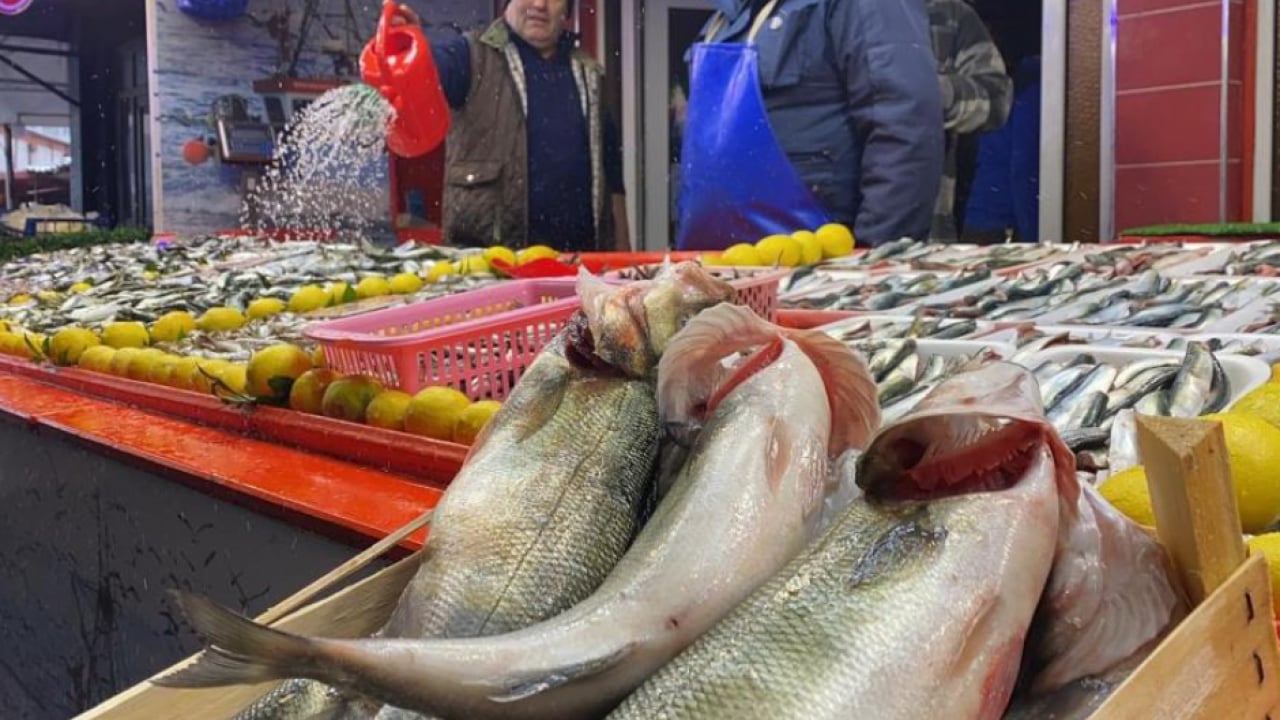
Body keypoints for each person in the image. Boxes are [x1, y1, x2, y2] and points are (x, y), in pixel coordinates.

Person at [674, 0, 944, 251]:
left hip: (816, 274)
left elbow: (906, 127)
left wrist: (873, 261)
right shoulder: (727, 16)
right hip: (716, 272)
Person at [392, 0, 630, 253]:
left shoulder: (589, 74)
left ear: (568, 8)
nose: (540, 4)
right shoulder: (469, 56)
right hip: (491, 270)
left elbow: (611, 174)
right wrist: (407, 50)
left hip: (579, 269)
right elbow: (419, 82)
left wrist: (624, 250)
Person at [926, 0, 1013, 242]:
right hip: (820, 216)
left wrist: (927, 92)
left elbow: (998, 101)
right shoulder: (823, 11)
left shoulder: (949, 14)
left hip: (925, 230)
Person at [963, 54, 1041, 244]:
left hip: (985, 216)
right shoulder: (1036, 89)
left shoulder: (1009, 89)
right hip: (1001, 222)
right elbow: (1022, 167)